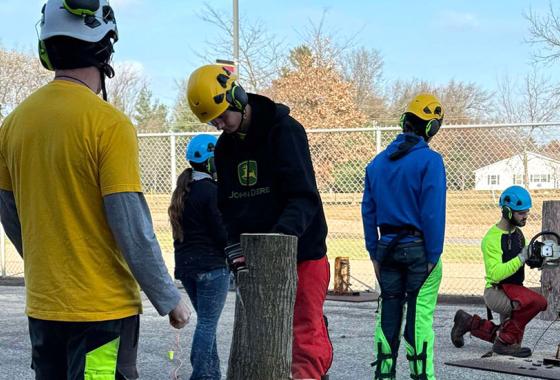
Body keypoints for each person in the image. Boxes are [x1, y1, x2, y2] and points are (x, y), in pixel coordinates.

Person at [0, 1, 189, 378]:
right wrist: (169, 299)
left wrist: (49, 263)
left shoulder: (13, 125)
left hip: (44, 311)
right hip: (103, 316)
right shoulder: (109, 125)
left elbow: (11, 214)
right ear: (105, 47)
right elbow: (131, 226)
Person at [187, 64, 333, 380]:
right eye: (212, 120)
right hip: (255, 259)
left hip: (302, 253)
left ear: (236, 97)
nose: (219, 124)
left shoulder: (285, 131)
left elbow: (303, 197)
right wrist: (232, 246)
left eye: (222, 115)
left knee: (304, 329)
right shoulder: (225, 148)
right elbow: (226, 206)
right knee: (258, 334)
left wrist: (278, 242)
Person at [362, 93, 446, 380]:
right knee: (419, 315)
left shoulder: (375, 164)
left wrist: (373, 251)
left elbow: (368, 211)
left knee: (388, 311)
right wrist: (434, 255)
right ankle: (422, 375)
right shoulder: (430, 161)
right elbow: (432, 213)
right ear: (431, 128)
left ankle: (383, 373)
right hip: (419, 248)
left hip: (386, 249)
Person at [451, 186, 548, 357]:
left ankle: (467, 322)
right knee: (535, 303)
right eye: (521, 213)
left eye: (527, 212)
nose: (526, 216)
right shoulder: (491, 238)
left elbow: (517, 263)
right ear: (507, 211)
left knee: (511, 338)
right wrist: (521, 257)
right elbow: (495, 273)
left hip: (514, 290)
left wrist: (535, 259)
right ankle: (503, 342)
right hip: (496, 291)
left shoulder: (518, 234)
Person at [168, 134, 229, 380]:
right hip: (211, 267)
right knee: (207, 324)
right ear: (210, 160)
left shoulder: (184, 189)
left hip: (187, 268)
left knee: (207, 324)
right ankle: (201, 375)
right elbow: (220, 232)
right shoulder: (210, 191)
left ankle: (211, 375)